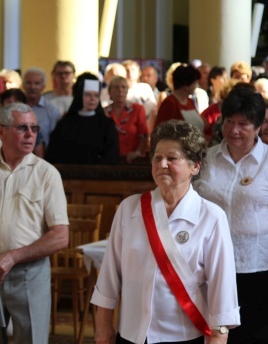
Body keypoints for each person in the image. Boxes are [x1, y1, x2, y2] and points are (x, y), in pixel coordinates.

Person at [92, 120, 240, 344]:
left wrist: (218, 338)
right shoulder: (129, 209)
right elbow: (108, 280)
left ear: (195, 166)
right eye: (157, 157)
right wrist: (103, 332)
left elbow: (223, 296)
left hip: (184, 337)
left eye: (172, 158)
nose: (162, 164)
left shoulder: (211, 217)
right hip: (131, 336)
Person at [194, 87, 268, 343]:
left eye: (243, 124)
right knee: (212, 335)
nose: (234, 130)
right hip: (207, 267)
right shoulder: (206, 158)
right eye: (229, 122)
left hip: (256, 268)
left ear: (259, 126)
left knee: (251, 336)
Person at [0, 103, 69, 344]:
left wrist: (14, 256)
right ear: (1, 131)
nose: (30, 134)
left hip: (29, 272)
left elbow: (60, 236)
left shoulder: (46, 173)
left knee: (32, 339)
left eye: (34, 128)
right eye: (22, 127)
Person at [46, 73, 119, 165]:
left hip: (99, 175)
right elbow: (55, 152)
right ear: (80, 96)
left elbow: (111, 155)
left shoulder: (106, 124)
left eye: (96, 95)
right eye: (88, 95)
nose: (92, 99)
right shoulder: (66, 123)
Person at [104, 76, 149, 163]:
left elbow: (144, 135)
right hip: (110, 160)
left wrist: (137, 153)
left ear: (127, 90)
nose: (120, 90)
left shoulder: (138, 109)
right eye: (116, 87)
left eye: (123, 87)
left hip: (133, 159)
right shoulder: (104, 112)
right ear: (109, 91)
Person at [154, 64, 204, 130]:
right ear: (186, 84)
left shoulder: (190, 101)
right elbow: (163, 130)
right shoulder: (170, 103)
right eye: (194, 83)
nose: (196, 86)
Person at [22, 68, 60, 153]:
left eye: (37, 83)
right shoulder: (16, 108)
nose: (32, 87)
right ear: (23, 85)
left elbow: (55, 138)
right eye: (29, 83)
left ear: (43, 87)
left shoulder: (52, 110)